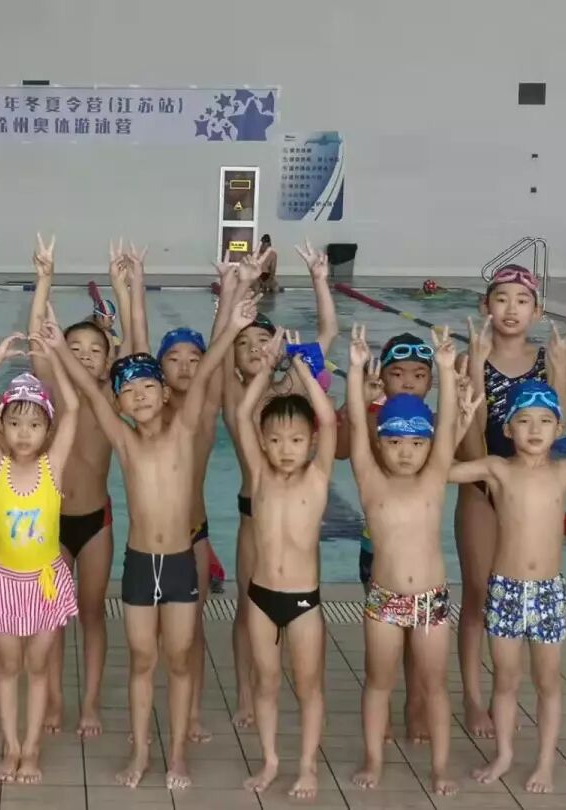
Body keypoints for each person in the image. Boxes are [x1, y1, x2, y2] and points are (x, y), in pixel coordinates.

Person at [49, 291, 258, 791]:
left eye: (148, 386)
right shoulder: (123, 441)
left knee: (180, 660)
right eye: (128, 390)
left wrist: (232, 324)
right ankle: (141, 752)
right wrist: (57, 346)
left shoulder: (185, 429)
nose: (139, 395)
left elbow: (204, 376)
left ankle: (178, 755)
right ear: (119, 403)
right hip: (141, 565)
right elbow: (89, 389)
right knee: (142, 661)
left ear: (165, 394)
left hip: (182, 562)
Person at [346, 324, 480, 797]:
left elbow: (445, 434)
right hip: (383, 600)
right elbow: (356, 429)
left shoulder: (434, 477)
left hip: (430, 602)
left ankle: (440, 767)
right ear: (380, 442)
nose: (406, 453)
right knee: (378, 682)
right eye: (395, 443)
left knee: (434, 686)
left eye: (418, 444)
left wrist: (445, 369)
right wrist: (356, 372)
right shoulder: (370, 481)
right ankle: (372, 758)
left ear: (429, 446)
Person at [222, 240, 338, 730]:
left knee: (301, 606)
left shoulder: (291, 392)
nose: (254, 349)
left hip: (296, 519)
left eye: (262, 342)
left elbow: (327, 334)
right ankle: (246, 692)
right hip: (254, 514)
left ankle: (297, 688)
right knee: (247, 607)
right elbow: (219, 346)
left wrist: (319, 280)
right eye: (245, 344)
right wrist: (235, 291)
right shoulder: (234, 392)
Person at [454, 264, 566, 738]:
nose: (511, 309)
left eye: (522, 301)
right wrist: (474, 371)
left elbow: (559, 435)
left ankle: (507, 695)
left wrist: (561, 375)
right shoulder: (468, 359)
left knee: (524, 589)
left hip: (532, 490)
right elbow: (469, 444)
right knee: (478, 594)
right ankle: (472, 697)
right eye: (501, 299)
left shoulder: (549, 358)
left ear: (537, 312)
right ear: (485, 305)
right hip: (482, 487)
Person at [448, 378, 566, 794]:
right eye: (524, 420)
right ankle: (503, 754)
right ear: (507, 428)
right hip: (506, 591)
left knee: (548, 681)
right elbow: (442, 471)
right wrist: (459, 423)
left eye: (545, 421)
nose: (534, 429)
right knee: (505, 679)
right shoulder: (497, 469)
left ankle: (545, 763)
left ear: (559, 428)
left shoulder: (564, 471)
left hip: (548, 592)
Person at [127, 243, 228, 743]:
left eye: (194, 359)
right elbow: (137, 344)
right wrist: (135, 284)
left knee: (191, 636)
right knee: (149, 644)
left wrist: (230, 290)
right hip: (149, 542)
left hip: (194, 535)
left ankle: (190, 716)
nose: (186, 367)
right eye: (174, 359)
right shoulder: (148, 412)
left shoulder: (205, 411)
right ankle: (148, 722)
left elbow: (222, 351)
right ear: (159, 371)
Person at [27, 235, 128, 736]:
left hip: (96, 523)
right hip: (52, 522)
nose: (85, 356)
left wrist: (122, 289)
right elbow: (35, 337)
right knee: (52, 618)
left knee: (91, 614)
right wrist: (44, 279)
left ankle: (89, 704)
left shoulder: (112, 396)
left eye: (95, 350)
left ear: (108, 361)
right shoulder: (52, 390)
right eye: (75, 349)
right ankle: (54, 699)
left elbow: (138, 348)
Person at [0, 339, 80, 783]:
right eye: (14, 423)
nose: (23, 432)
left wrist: (55, 356)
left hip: (45, 583)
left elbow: (74, 408)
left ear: (47, 429)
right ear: (1, 426)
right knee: (8, 667)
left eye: (34, 424)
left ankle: (31, 748)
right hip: (6, 583)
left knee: (37, 669)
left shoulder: (53, 468)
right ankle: (10, 745)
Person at [233, 342, 336, 800]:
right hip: (261, 597)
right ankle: (271, 760)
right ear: (262, 442)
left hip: (303, 602)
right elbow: (243, 415)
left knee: (308, 687)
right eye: (274, 440)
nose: (285, 449)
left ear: (310, 441)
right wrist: (266, 368)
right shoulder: (259, 476)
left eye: (295, 440)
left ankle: (307, 766)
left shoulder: (317, 477)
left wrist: (301, 370)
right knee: (266, 682)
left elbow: (328, 420)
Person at [333, 331, 436, 742]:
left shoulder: (430, 426)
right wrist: (356, 401)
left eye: (418, 374)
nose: (407, 382)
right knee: (384, 643)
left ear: (431, 382)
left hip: (421, 558)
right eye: (398, 373)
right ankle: (385, 710)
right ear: (383, 376)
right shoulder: (373, 416)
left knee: (419, 641)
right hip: (376, 549)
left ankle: (416, 707)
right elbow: (341, 449)